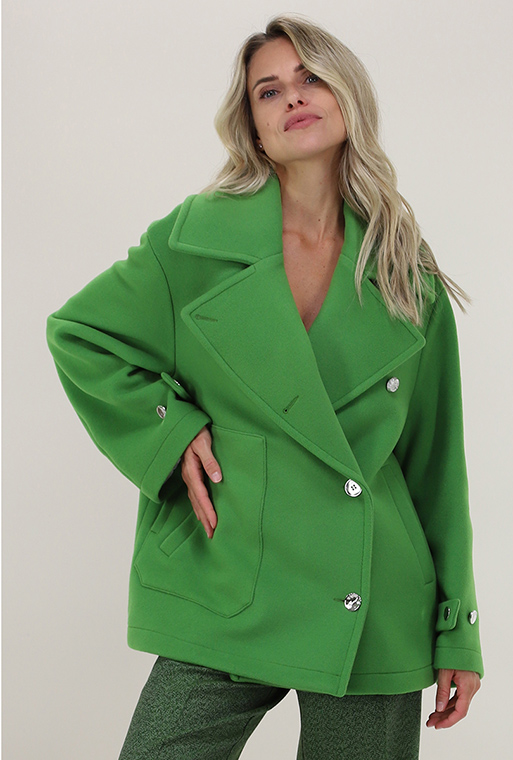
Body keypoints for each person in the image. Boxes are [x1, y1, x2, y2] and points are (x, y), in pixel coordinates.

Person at [46, 13, 483, 760]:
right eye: (268, 90)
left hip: (368, 596)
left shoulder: (405, 274)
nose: (293, 97)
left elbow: (437, 463)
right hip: (226, 578)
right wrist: (169, 427)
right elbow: (81, 335)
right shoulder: (194, 239)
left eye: (310, 77)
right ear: (252, 124)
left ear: (347, 94)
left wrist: (457, 628)